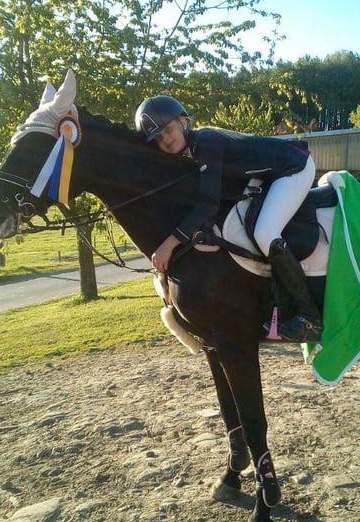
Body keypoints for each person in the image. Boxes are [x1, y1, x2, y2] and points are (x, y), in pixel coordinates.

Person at [135, 95, 322, 342]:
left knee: (265, 232)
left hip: (293, 167)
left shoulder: (205, 142)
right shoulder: (192, 150)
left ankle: (309, 318)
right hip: (269, 175)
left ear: (184, 122)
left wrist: (168, 245)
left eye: (168, 129)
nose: (165, 139)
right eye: (158, 138)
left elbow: (207, 206)